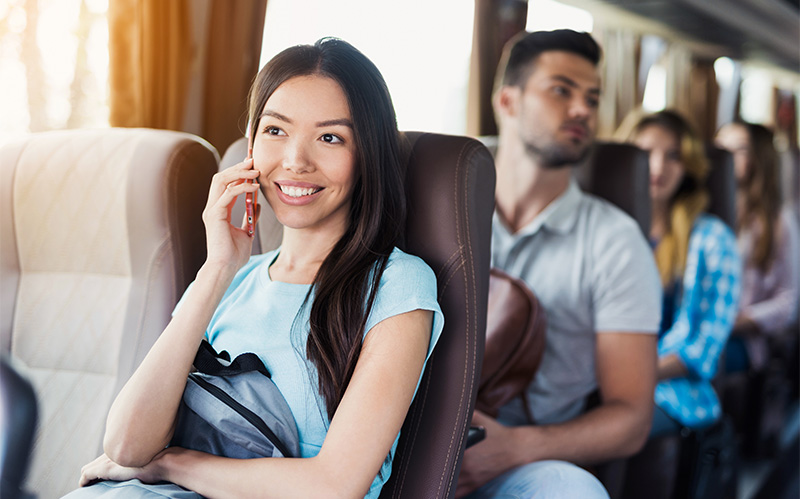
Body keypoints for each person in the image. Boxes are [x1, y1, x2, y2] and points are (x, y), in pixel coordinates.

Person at [73, 38, 443, 498]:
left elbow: (334, 486)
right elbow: (127, 446)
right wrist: (217, 269)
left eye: (330, 137)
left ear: (367, 154)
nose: (295, 161)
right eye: (275, 131)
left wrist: (171, 463)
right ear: (251, 146)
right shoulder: (233, 280)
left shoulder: (397, 283)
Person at [458, 30, 662, 498]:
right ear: (508, 101)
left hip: (518, 463)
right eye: (561, 90)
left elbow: (631, 418)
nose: (582, 110)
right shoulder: (438, 207)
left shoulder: (615, 242)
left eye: (592, 98)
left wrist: (513, 449)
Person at [630, 110, 741, 436]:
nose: (658, 167)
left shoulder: (713, 239)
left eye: (673, 156)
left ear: (688, 168)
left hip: (669, 391)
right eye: (646, 153)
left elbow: (704, 348)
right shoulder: (604, 230)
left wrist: (630, 376)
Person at [715, 122, 799, 373]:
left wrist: (739, 321)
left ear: (757, 158)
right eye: (721, 149)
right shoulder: (698, 214)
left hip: (741, 340)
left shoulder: (778, 222)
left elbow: (788, 302)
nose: (727, 158)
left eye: (739, 149)